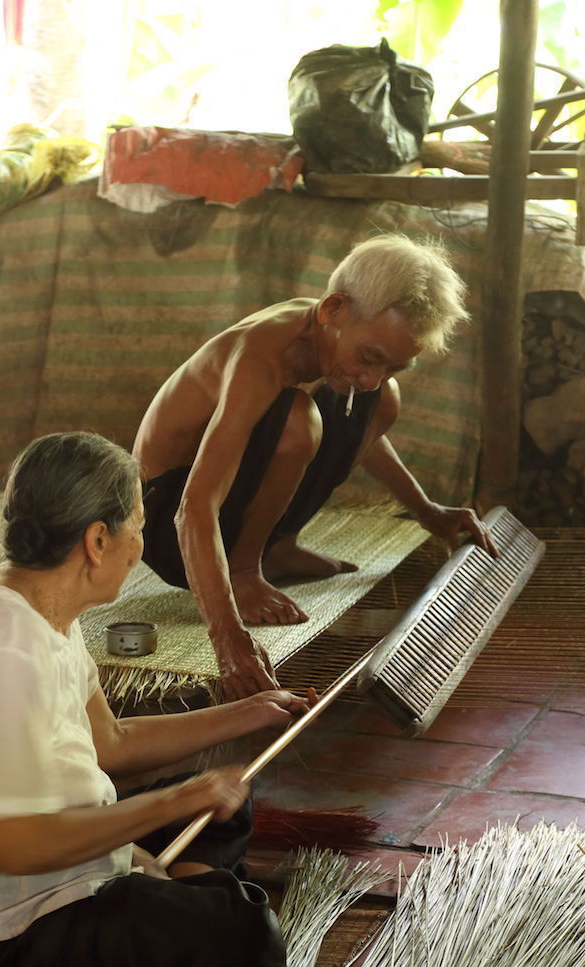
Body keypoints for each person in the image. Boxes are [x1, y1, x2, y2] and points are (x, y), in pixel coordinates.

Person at [0, 431, 306, 967]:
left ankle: (174, 886)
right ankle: (183, 892)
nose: (139, 546)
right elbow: (19, 848)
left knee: (227, 804)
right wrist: (166, 809)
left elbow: (110, 744)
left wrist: (253, 712)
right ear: (97, 539)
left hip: (59, 857)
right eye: (137, 526)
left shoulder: (43, 604)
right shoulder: (3, 651)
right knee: (244, 944)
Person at [133, 232, 496, 702]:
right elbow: (193, 506)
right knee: (297, 423)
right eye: (370, 358)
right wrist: (226, 637)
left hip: (216, 510)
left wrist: (427, 512)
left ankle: (276, 549)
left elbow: (363, 439)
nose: (371, 376)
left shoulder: (336, 336)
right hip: (165, 525)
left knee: (378, 402)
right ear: (334, 310)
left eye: (391, 365)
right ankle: (247, 569)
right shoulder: (258, 357)